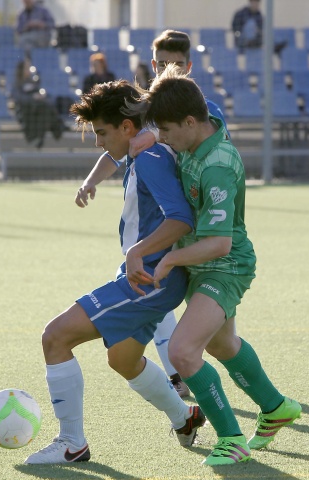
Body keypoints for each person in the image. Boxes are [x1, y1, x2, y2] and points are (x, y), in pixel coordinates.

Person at [24, 79, 205, 464]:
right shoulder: (146, 152)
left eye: (102, 132)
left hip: (151, 280)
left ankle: (71, 443)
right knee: (123, 360)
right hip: (145, 276)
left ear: (126, 128)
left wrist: (139, 251)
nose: (98, 142)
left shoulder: (152, 159)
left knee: (55, 337)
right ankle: (183, 417)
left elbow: (181, 220)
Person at [127, 67, 302, 466]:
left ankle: (230, 439)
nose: (165, 138)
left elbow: (219, 242)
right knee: (223, 345)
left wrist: (170, 257)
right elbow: (206, 112)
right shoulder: (201, 129)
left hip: (224, 264)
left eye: (167, 130)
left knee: (184, 351)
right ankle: (276, 408)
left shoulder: (218, 164)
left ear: (190, 122)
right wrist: (153, 129)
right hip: (204, 263)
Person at [126, 29, 231, 400]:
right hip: (178, 234)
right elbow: (119, 147)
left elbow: (210, 137)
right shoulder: (148, 112)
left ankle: (231, 424)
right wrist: (92, 180)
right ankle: (274, 406)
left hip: (205, 236)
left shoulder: (204, 114)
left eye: (178, 65)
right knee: (216, 339)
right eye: (163, 65)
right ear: (152, 65)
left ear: (190, 66)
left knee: (202, 344)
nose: (170, 70)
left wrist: (154, 135)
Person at [10, 58, 65, 148]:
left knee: (46, 106)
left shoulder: (32, 82)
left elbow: (41, 94)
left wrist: (39, 97)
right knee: (46, 107)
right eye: (27, 68)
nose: (29, 70)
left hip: (37, 108)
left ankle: (40, 136)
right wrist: (33, 98)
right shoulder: (17, 84)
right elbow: (19, 99)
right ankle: (57, 127)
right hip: (26, 110)